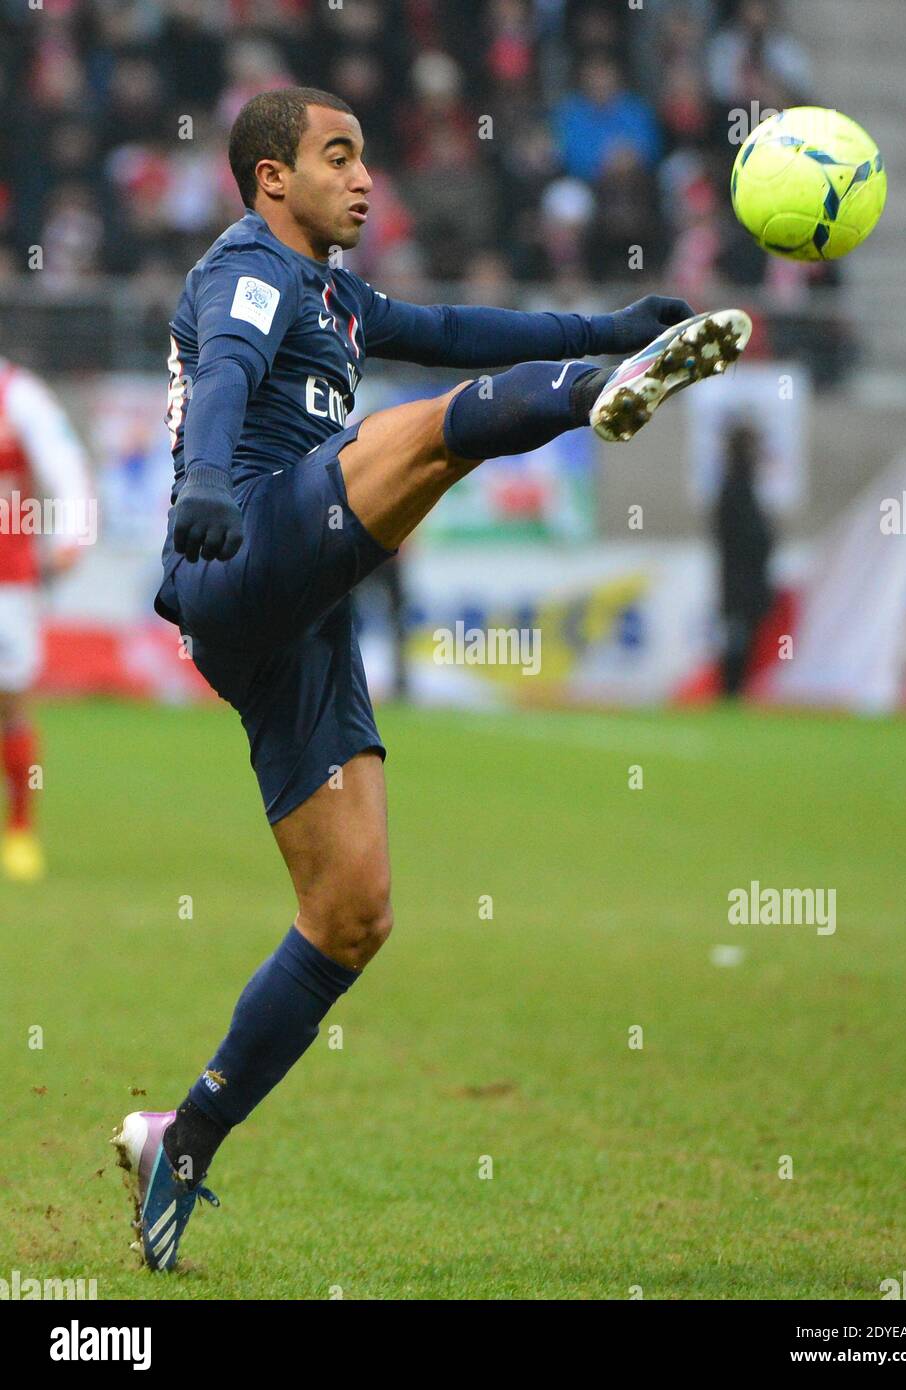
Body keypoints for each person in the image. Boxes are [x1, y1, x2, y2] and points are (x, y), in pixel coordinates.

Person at [111, 86, 751, 1270]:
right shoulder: (247, 268)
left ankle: (181, 1137)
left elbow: (453, 324)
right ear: (268, 180)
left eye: (366, 156)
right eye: (337, 157)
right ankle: (584, 407)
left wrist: (601, 322)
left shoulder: (335, 295)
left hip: (294, 613)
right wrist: (200, 482)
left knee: (352, 915)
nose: (365, 179)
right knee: (423, 432)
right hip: (239, 544)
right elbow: (235, 368)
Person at [0, 359, 92, 881]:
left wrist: (71, 534)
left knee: (11, 704)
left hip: (7, 579)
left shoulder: (19, 394)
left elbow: (65, 463)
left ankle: (19, 829)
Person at [713, 420, 774, 696]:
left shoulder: (740, 485)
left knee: (741, 638)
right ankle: (731, 692)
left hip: (742, 581)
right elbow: (747, 538)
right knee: (737, 639)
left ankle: (735, 692)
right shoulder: (735, 487)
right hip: (740, 582)